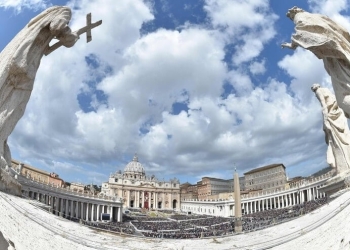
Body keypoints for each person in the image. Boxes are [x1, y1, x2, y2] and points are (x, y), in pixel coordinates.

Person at [0, 6, 79, 169]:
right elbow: (58, 27)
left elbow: (47, 49)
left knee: (6, 99)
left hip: (16, 56)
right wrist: (70, 36)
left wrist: (63, 41)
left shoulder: (43, 17)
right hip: (25, 64)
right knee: (16, 107)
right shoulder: (65, 11)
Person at [282, 6, 350, 119]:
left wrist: (293, 43)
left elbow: (303, 30)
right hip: (340, 52)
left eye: (291, 17)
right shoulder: (319, 17)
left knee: (344, 98)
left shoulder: (300, 17)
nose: (293, 20)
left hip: (335, 56)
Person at [311, 84, 350, 174]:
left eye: (313, 88)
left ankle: (343, 165)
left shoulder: (318, 91)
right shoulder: (326, 89)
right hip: (338, 111)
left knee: (334, 141)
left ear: (315, 88)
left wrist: (325, 120)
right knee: (345, 137)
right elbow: (334, 99)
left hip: (331, 115)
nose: (313, 89)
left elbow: (324, 105)